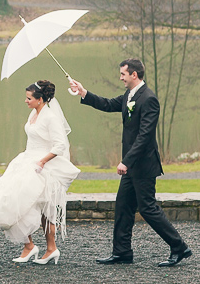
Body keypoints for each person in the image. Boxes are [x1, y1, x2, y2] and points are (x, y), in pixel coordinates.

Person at [69, 59, 192, 267]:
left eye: (123, 74)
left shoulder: (149, 99)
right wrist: (83, 92)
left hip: (143, 166)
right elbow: (108, 104)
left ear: (134, 75)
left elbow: (144, 137)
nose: (120, 77)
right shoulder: (130, 95)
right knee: (123, 206)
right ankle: (122, 252)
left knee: (148, 208)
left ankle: (179, 247)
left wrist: (125, 161)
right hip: (131, 166)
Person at [0, 80, 81, 264]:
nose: (25, 101)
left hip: (42, 165)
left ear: (40, 99)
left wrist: (42, 161)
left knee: (44, 210)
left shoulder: (50, 118)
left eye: (29, 98)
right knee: (12, 200)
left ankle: (51, 248)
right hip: (26, 160)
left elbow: (60, 145)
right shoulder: (34, 114)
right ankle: (29, 246)